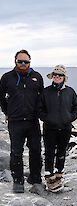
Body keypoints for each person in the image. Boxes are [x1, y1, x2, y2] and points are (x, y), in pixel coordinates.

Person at [0, 49, 44, 193]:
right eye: (21, 61)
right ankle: (18, 181)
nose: (23, 64)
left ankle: (35, 177)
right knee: (16, 152)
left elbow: (41, 98)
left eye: (26, 62)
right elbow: (1, 98)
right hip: (15, 121)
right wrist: (7, 112)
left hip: (33, 121)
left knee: (36, 150)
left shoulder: (37, 77)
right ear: (15, 61)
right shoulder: (7, 78)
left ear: (30, 62)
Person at [39, 65, 77, 192]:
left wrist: (70, 118)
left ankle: (59, 175)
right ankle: (49, 177)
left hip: (65, 127)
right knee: (49, 153)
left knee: (62, 152)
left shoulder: (70, 91)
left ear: (64, 78)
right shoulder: (45, 92)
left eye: (60, 75)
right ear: (52, 77)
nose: (57, 77)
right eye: (55, 75)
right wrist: (47, 118)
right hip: (50, 128)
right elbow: (39, 109)